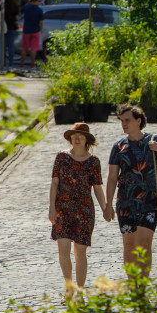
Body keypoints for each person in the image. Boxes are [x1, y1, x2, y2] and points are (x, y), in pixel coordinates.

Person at [104, 105, 157, 278]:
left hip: (149, 203)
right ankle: (133, 286)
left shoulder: (154, 141)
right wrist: (108, 205)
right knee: (129, 246)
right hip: (125, 204)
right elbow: (112, 177)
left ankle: (143, 287)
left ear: (139, 121)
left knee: (144, 245)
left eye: (127, 120)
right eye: (122, 121)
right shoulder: (118, 146)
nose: (124, 124)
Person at [50, 123, 106, 292]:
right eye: (74, 137)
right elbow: (54, 183)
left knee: (80, 252)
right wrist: (51, 208)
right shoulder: (61, 157)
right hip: (62, 209)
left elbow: (97, 187)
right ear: (70, 139)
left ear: (87, 140)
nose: (77, 139)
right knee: (63, 250)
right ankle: (69, 288)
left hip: (84, 211)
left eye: (81, 137)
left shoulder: (93, 161)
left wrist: (105, 208)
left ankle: (80, 290)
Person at [21, 0, 43, 69]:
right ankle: (32, 64)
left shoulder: (26, 7)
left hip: (26, 31)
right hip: (35, 31)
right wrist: (40, 30)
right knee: (34, 49)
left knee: (24, 49)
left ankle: (22, 64)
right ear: (37, 0)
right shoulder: (39, 10)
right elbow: (41, 22)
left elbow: (23, 9)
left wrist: (29, 2)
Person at [4, 0, 19, 67]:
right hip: (12, 26)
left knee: (3, 46)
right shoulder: (14, 5)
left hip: (4, 27)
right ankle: (10, 62)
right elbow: (17, 18)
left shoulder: (3, 6)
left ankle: (3, 62)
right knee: (11, 46)